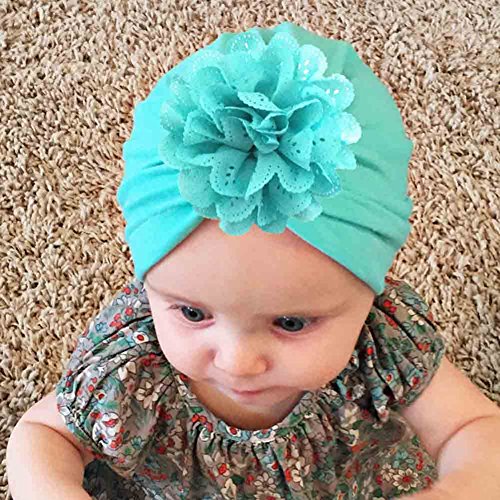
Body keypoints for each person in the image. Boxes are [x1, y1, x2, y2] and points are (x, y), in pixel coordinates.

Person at [7, 21, 500, 500]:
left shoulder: (382, 347)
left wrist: (461, 487)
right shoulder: (134, 369)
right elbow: (44, 435)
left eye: (291, 323)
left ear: (370, 288)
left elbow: (473, 425)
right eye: (192, 313)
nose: (239, 363)